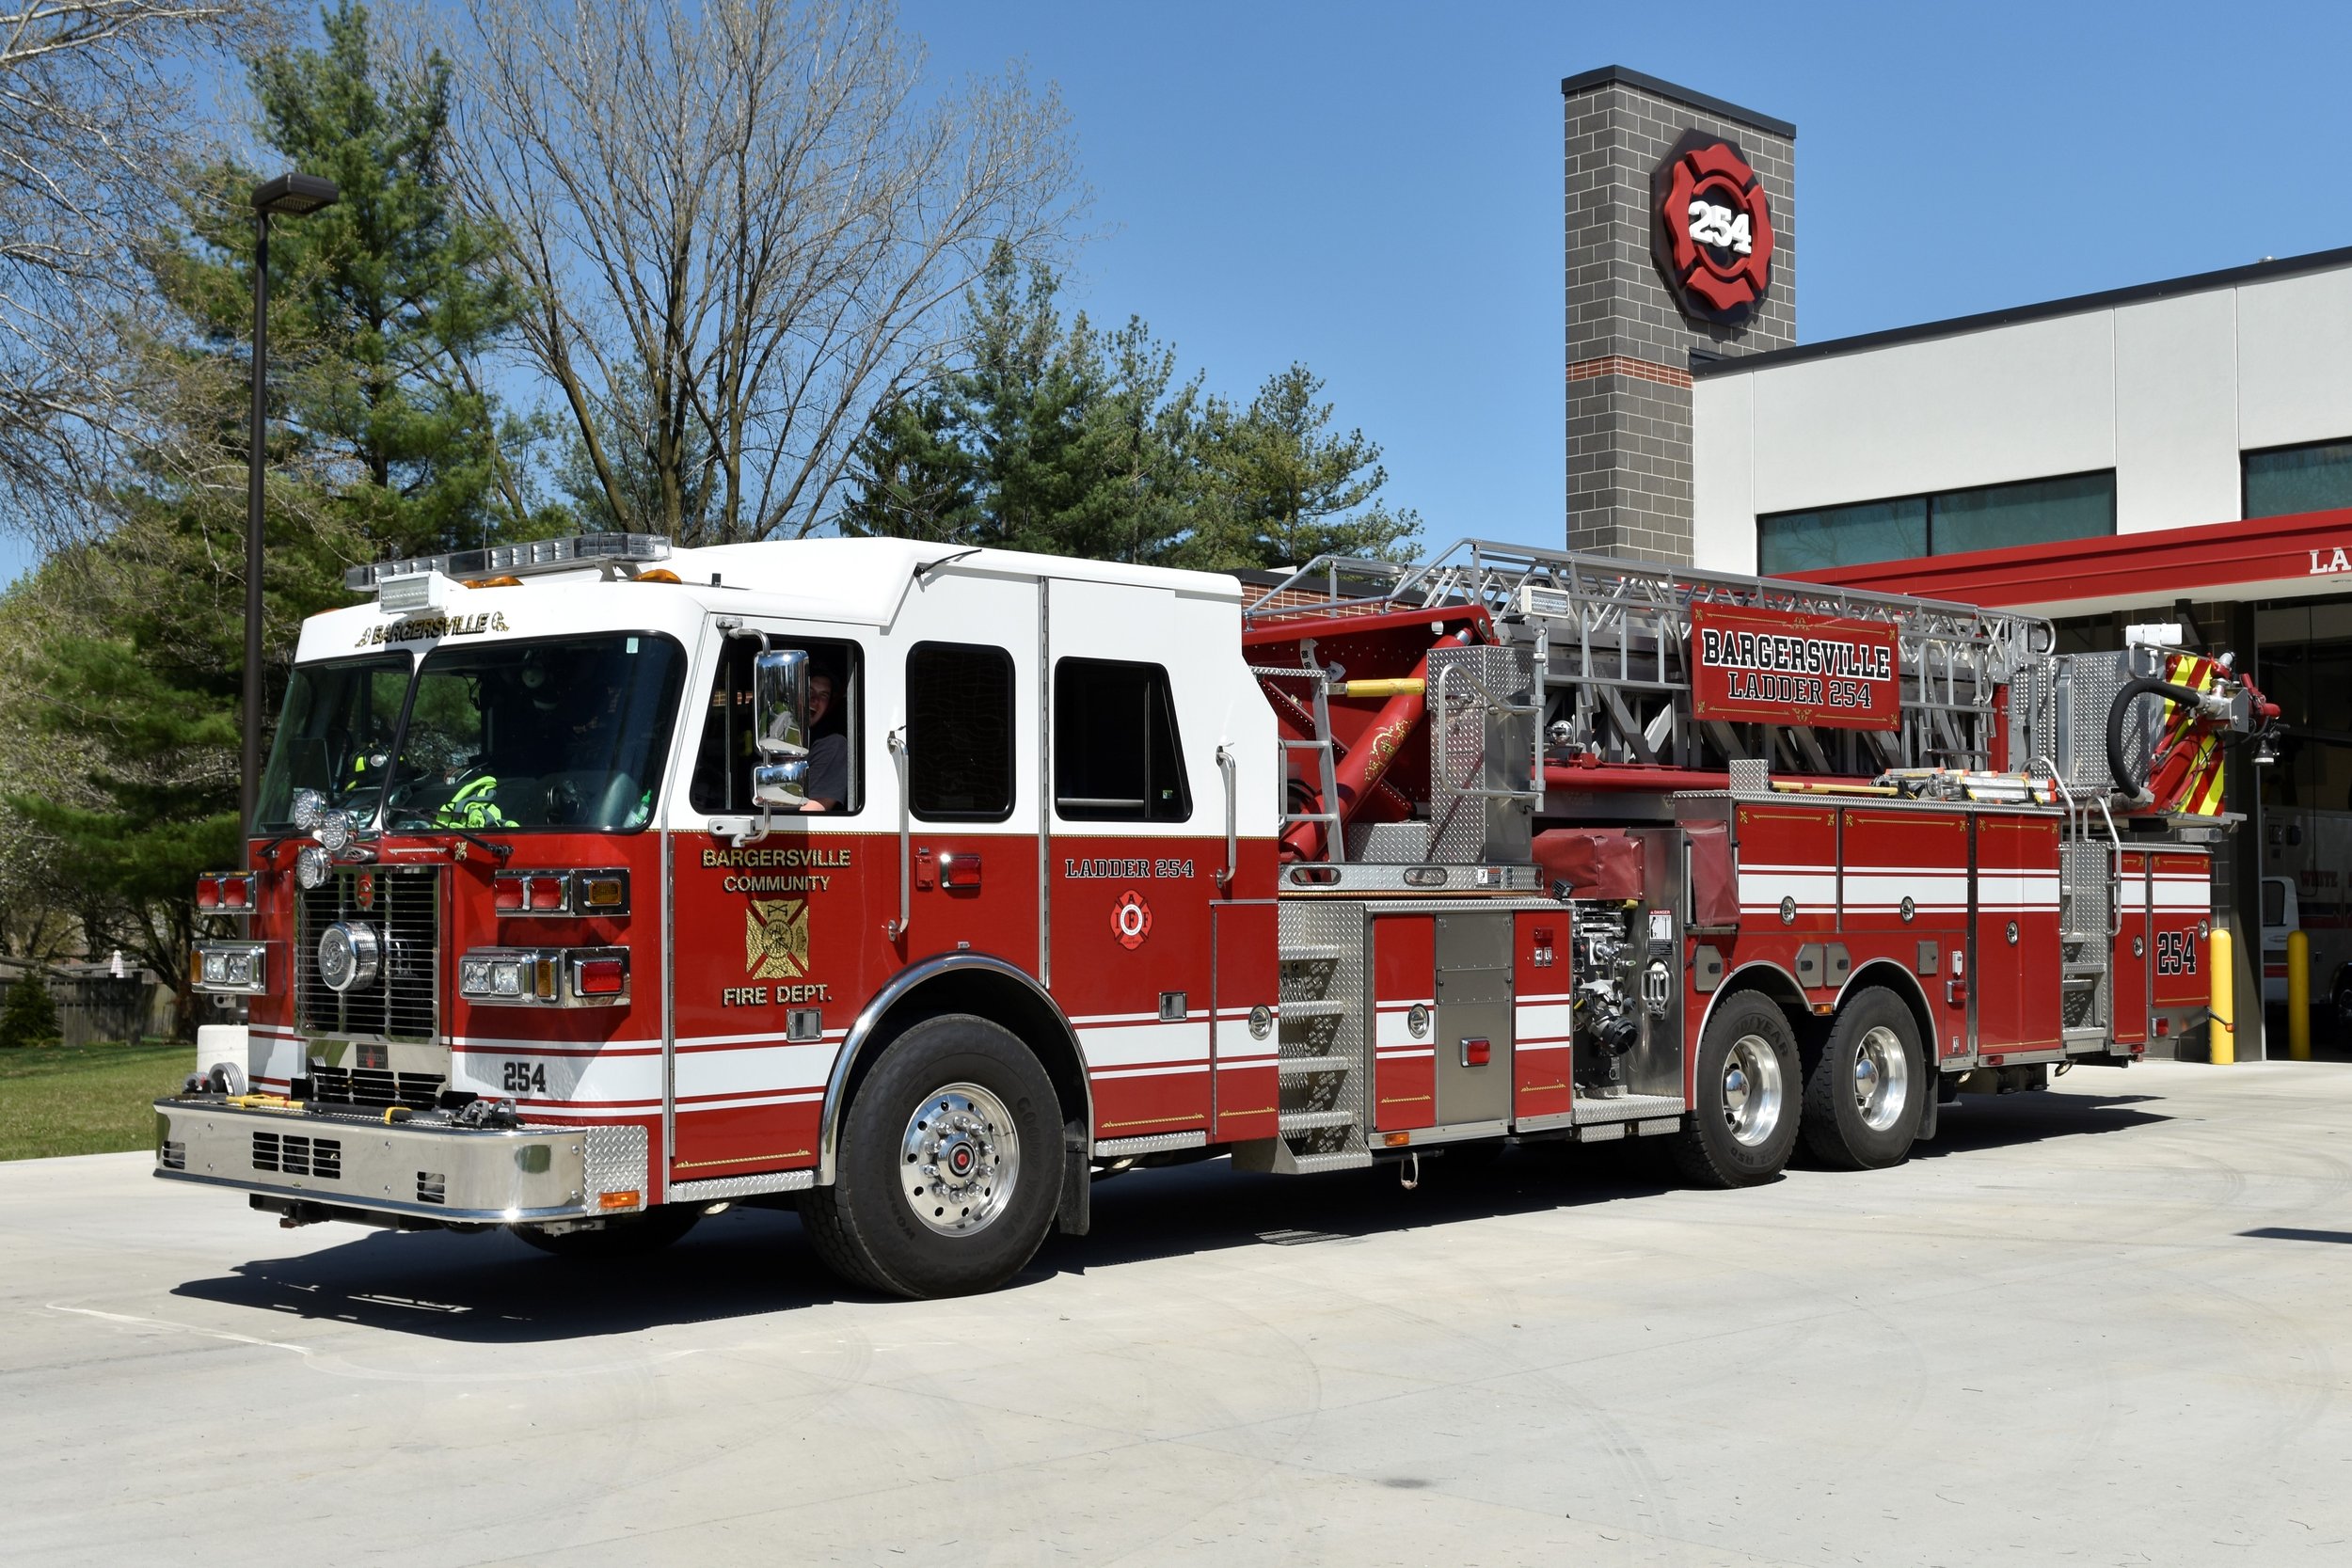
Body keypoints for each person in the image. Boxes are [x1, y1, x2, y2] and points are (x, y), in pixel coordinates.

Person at [801, 672, 849, 812]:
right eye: (808, 691)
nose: (814, 699)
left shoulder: (833, 745)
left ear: (829, 706)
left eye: (824, 695)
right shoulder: (779, 738)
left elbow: (813, 809)